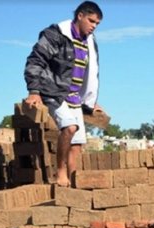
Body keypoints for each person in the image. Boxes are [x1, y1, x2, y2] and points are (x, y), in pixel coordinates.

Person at [24, 1, 104, 187]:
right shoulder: (56, 35)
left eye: (97, 24)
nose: (94, 26)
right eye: (91, 21)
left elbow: (92, 73)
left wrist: (91, 102)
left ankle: (73, 185)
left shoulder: (90, 42)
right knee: (69, 128)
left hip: (75, 97)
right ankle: (59, 172)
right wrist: (34, 91)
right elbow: (35, 61)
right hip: (53, 92)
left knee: (76, 144)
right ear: (80, 16)